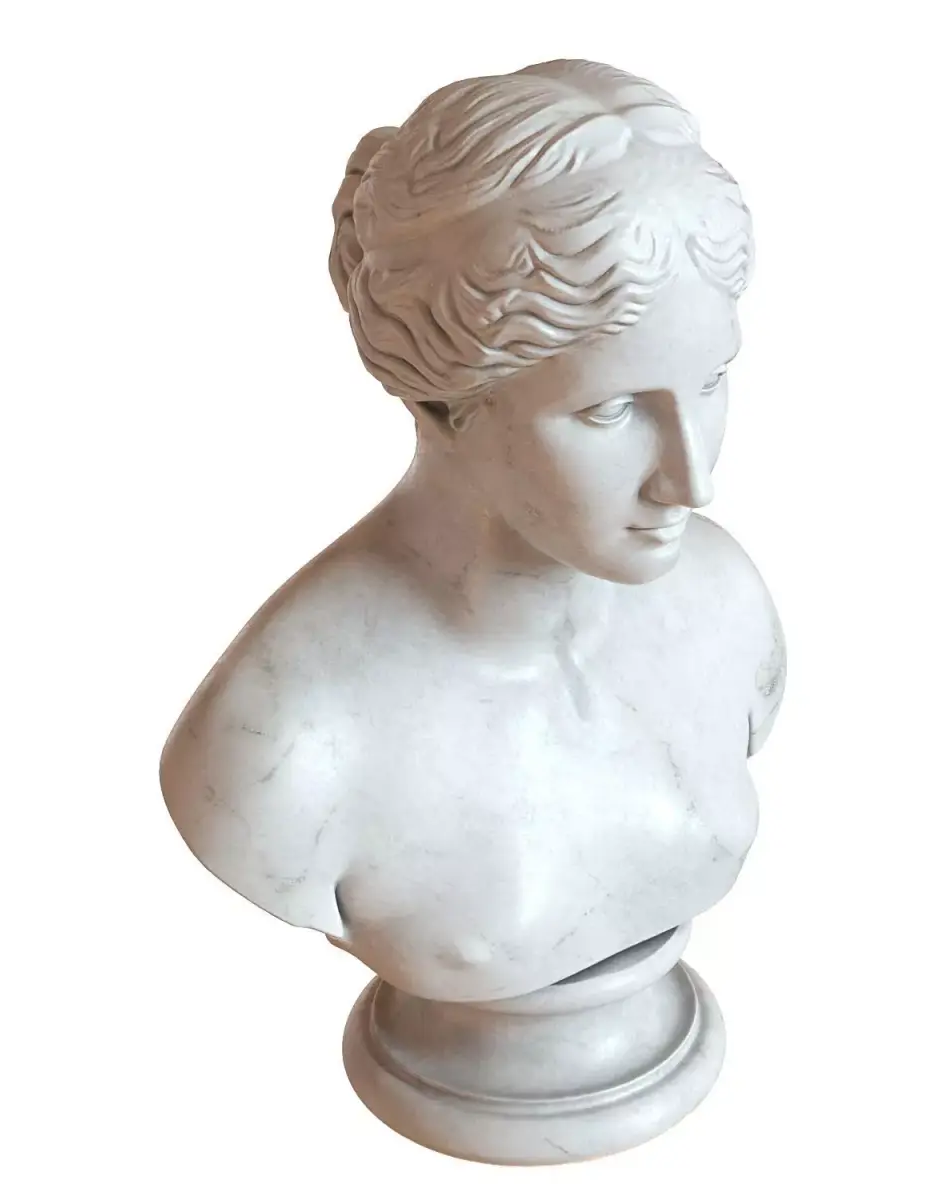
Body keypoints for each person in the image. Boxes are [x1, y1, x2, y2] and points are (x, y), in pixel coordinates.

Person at [160, 59, 785, 1004]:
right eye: (611, 411)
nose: (692, 481)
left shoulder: (725, 604)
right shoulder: (282, 740)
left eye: (710, 381)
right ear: (443, 402)